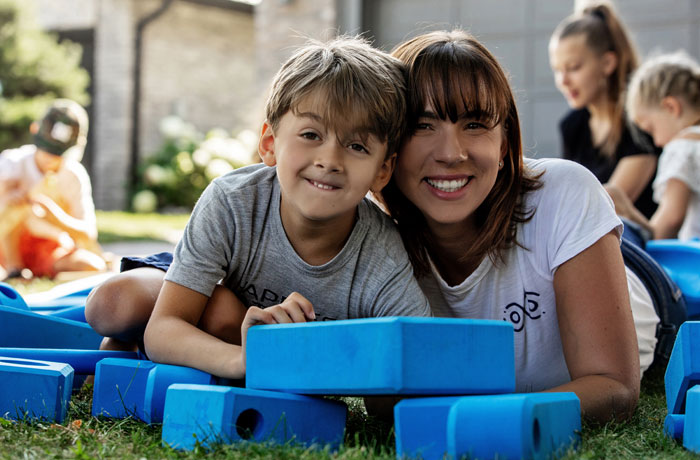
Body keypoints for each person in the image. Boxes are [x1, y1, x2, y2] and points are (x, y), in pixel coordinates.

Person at [85, 36, 431, 380]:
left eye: (356, 145)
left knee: (221, 316)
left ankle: (189, 343)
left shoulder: (382, 255)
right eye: (311, 135)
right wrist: (244, 361)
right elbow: (165, 328)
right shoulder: (233, 200)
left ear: (383, 170)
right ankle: (140, 337)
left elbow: (415, 362)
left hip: (230, 320)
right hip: (208, 297)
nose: (329, 160)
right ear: (269, 144)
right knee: (112, 305)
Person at [381, 29, 642, 423]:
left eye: (474, 125)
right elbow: (383, 400)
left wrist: (481, 417)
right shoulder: (371, 232)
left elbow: (614, 386)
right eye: (422, 125)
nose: (451, 153)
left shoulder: (564, 191)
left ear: (504, 144)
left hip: (641, 284)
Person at [549, 1, 660, 219]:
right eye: (557, 70)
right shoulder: (571, 125)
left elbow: (603, 210)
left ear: (608, 63)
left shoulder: (639, 122)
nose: (563, 81)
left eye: (573, 68)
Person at [0, 99, 106, 280]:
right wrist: (9, 198)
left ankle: (41, 271)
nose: (51, 159)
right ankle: (14, 268)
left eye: (58, 154)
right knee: (14, 205)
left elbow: (89, 233)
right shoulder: (12, 163)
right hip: (8, 246)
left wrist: (57, 218)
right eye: (46, 150)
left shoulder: (73, 174)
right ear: (34, 131)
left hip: (51, 248)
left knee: (93, 265)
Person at [608, 51, 700, 241]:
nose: (657, 142)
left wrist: (630, 217)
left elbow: (671, 219)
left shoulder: (681, 149)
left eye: (651, 129)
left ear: (671, 107)